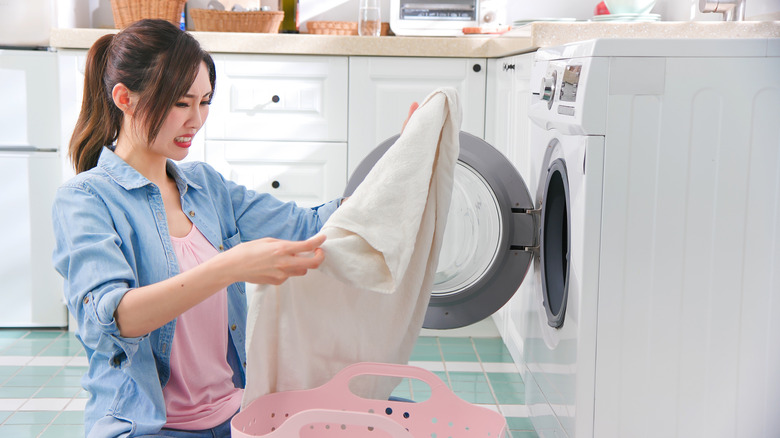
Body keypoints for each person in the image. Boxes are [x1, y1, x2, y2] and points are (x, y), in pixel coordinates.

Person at [51, 19, 338, 437]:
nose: (197, 119)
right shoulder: (85, 199)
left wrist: (402, 165)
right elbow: (118, 317)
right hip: (147, 426)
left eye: (205, 102)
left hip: (236, 415)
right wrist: (230, 267)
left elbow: (308, 225)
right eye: (182, 103)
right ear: (124, 98)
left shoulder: (207, 186)